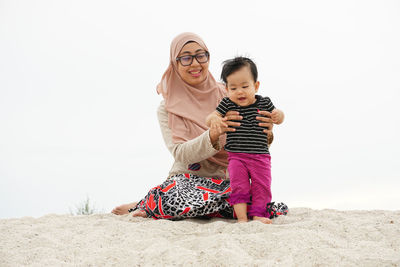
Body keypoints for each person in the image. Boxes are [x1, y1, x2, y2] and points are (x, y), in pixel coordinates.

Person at [112, 33, 276, 220]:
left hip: (228, 178)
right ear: (175, 63)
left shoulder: (231, 93)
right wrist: (213, 134)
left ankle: (152, 205)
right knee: (173, 197)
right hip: (188, 180)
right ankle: (148, 204)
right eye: (186, 58)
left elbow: (253, 147)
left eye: (201, 55)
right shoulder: (168, 107)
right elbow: (180, 153)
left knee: (253, 197)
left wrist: (267, 132)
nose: (195, 63)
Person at [206, 57, 284, 224]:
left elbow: (279, 115)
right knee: (239, 186)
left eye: (245, 86)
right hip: (236, 156)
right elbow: (211, 116)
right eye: (233, 88)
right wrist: (214, 120)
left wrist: (279, 116)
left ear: (256, 86)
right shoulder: (227, 104)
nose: (239, 92)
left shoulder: (264, 102)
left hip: (260, 156)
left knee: (261, 186)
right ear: (226, 89)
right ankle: (241, 218)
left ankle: (258, 215)